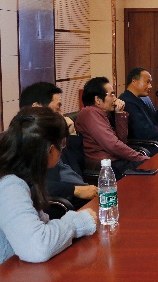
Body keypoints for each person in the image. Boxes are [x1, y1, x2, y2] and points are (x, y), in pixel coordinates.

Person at [0, 107, 97, 264]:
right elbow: (38, 247)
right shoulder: (10, 186)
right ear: (51, 150)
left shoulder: (18, 174)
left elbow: (39, 226)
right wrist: (75, 223)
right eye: (62, 143)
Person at [19, 82, 98, 209]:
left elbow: (76, 169)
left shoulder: (50, 134)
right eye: (57, 108)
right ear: (37, 108)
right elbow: (30, 185)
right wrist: (74, 190)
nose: (62, 114)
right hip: (59, 205)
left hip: (80, 196)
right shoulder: (25, 139)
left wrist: (71, 134)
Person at [76, 77, 149, 178]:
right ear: (98, 100)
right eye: (112, 94)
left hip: (114, 161)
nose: (115, 99)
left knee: (149, 166)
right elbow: (113, 145)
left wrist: (119, 113)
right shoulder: (89, 113)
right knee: (148, 166)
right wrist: (139, 157)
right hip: (104, 166)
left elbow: (122, 140)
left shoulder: (103, 113)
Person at [119, 67, 158, 151]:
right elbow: (144, 132)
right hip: (146, 146)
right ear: (134, 81)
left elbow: (154, 123)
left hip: (154, 141)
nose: (150, 86)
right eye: (147, 82)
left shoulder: (140, 99)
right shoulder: (127, 102)